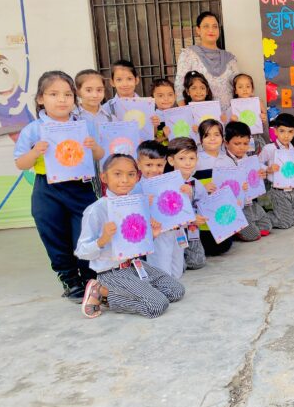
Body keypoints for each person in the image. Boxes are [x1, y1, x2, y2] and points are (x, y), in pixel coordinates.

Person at [14, 71, 104, 301]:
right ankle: (70, 280)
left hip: (80, 187)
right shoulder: (34, 129)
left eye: (67, 94)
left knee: (85, 233)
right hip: (47, 190)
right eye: (53, 94)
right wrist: (35, 152)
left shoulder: (83, 125)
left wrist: (93, 147)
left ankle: (89, 277)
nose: (62, 99)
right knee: (53, 234)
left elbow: (100, 154)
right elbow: (20, 163)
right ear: (41, 99)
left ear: (74, 98)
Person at [77, 154, 185, 319]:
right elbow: (82, 251)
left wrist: (152, 235)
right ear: (104, 177)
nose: (125, 180)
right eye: (117, 174)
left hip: (135, 265)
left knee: (177, 291)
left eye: (131, 174)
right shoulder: (96, 210)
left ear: (137, 177)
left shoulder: (137, 204)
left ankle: (137, 290)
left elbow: (136, 242)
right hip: (112, 271)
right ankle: (102, 292)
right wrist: (102, 240)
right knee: (157, 305)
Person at [135, 141, 185, 279]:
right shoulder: (137, 188)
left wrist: (186, 193)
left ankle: (172, 284)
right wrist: (143, 203)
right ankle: (163, 285)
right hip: (157, 234)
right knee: (162, 271)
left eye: (159, 165)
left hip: (175, 230)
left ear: (165, 163)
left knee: (177, 271)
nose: (154, 169)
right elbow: (131, 215)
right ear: (139, 164)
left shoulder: (170, 183)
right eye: (149, 165)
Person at [175, 11, 239, 112]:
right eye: (206, 26)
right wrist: (186, 115)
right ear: (198, 30)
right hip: (201, 117)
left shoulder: (229, 58)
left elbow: (239, 86)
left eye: (215, 26)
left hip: (230, 116)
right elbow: (179, 87)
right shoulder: (188, 54)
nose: (211, 30)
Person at [224, 121, 272, 241]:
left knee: (266, 227)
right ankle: (237, 227)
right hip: (237, 206)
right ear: (226, 143)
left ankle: (248, 223)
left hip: (250, 201)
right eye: (237, 143)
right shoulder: (224, 162)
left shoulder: (249, 159)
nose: (242, 147)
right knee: (253, 235)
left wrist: (260, 175)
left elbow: (255, 179)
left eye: (245, 143)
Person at [193, 119, 234, 255]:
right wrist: (203, 187)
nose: (212, 138)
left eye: (216, 134)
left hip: (222, 214)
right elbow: (186, 184)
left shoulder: (228, 160)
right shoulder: (195, 160)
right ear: (200, 139)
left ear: (222, 138)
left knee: (224, 247)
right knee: (208, 246)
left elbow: (234, 185)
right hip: (203, 213)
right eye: (207, 135)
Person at [166, 137, 207, 269]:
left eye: (191, 158)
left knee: (198, 262)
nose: (188, 163)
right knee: (178, 266)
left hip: (192, 230)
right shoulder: (166, 183)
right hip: (173, 232)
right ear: (171, 160)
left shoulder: (196, 183)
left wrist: (200, 216)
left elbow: (204, 204)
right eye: (182, 159)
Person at [260, 113, 294, 229]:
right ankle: (262, 218)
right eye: (282, 131)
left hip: (292, 190)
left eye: (290, 132)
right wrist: (268, 169)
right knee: (285, 223)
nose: (286, 136)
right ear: (275, 131)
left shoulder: (293, 150)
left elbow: (291, 173)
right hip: (277, 190)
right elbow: (257, 164)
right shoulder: (269, 149)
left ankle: (282, 215)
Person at [75, 69, 111, 198]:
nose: (95, 95)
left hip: (105, 170)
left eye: (99, 90)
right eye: (88, 90)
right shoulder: (72, 117)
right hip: (81, 174)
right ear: (78, 91)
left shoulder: (110, 117)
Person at [229, 73, 268, 156]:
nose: (244, 89)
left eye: (248, 86)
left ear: (252, 89)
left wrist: (263, 119)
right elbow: (229, 128)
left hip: (256, 138)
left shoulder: (258, 103)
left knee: (259, 160)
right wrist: (232, 121)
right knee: (246, 160)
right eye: (240, 87)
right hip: (241, 140)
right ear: (235, 90)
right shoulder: (232, 106)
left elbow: (263, 123)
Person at [151, 78, 177, 146]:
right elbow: (149, 141)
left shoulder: (179, 115)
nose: (166, 99)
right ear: (152, 99)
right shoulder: (152, 117)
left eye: (170, 95)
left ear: (175, 96)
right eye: (160, 95)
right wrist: (164, 136)